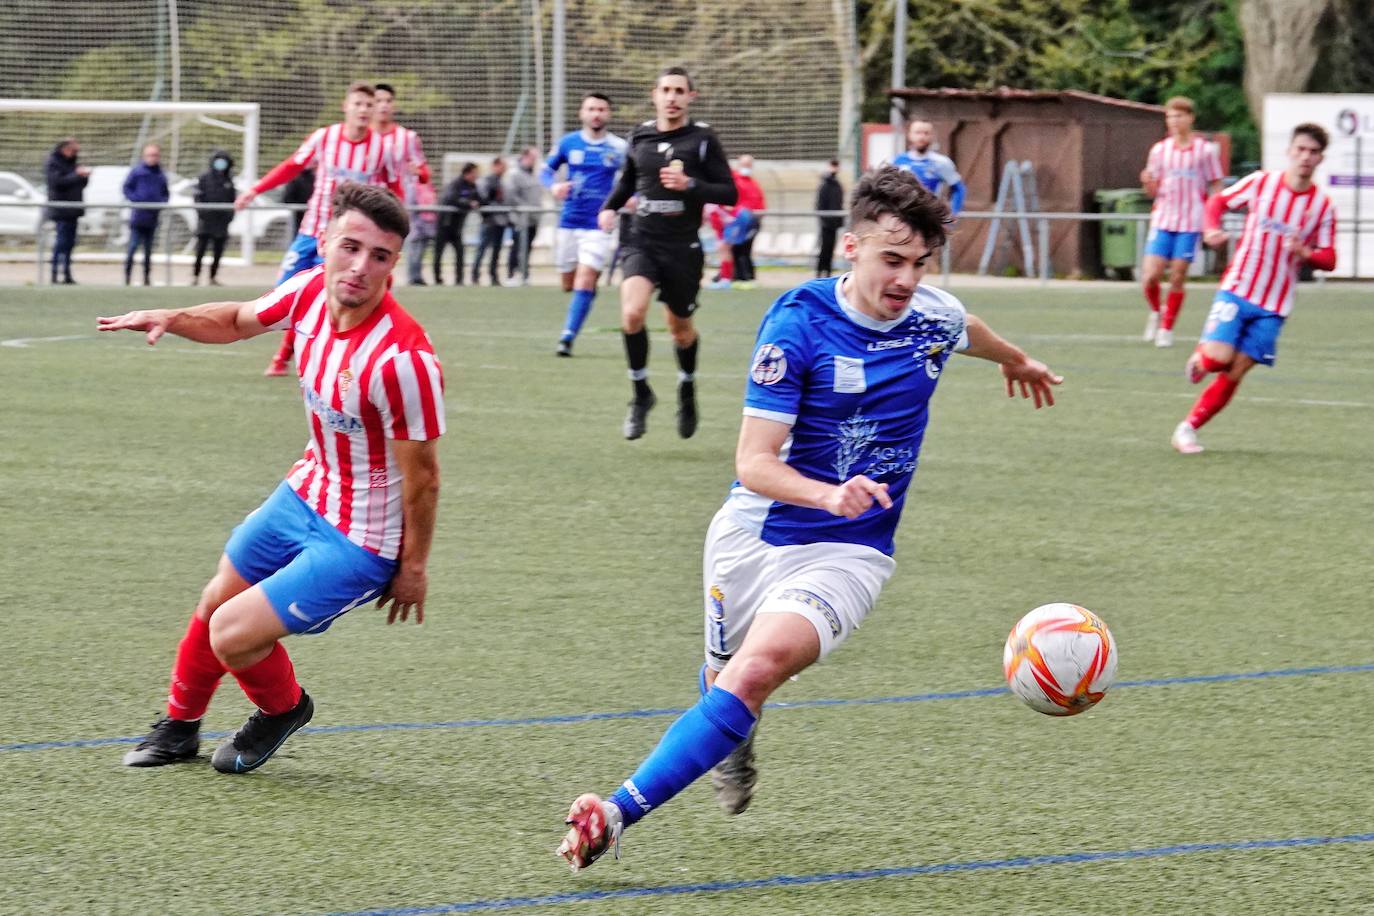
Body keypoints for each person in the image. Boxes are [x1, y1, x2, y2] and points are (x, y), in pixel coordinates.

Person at [557, 166, 1062, 871]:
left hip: (850, 552)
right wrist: (825, 492)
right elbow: (753, 463)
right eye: (892, 260)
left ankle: (614, 813)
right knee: (724, 677)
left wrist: (1018, 359)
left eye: (920, 264)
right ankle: (733, 737)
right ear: (850, 247)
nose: (907, 280)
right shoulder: (797, 325)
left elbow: (962, 326)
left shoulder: (929, 318)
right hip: (753, 534)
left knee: (756, 670)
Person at [98, 182, 444, 773]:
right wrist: (170, 317)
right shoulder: (308, 291)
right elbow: (235, 320)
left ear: (394, 263)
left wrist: (411, 567)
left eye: (380, 256)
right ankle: (179, 729)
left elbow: (425, 478)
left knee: (231, 634)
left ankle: (282, 709)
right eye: (350, 247)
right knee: (216, 599)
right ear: (326, 242)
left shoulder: (403, 361)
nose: (360, 267)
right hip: (307, 490)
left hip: (362, 539)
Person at [1171, 123, 1335, 455]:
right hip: (1239, 287)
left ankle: (1187, 429)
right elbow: (1217, 203)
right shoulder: (1262, 183)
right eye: (1300, 149)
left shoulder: (1322, 206)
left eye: (1313, 152)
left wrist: (1307, 254)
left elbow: (1330, 258)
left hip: (1274, 305)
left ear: (1320, 159)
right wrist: (1211, 230)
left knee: (1237, 369)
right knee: (1218, 361)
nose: (1305, 157)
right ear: (1289, 151)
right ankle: (1202, 358)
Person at [598, 66, 738, 440]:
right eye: (666, 90)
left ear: (690, 96)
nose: (672, 97)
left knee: (680, 330)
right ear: (654, 94)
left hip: (683, 247)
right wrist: (610, 207)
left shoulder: (703, 139)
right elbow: (628, 180)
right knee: (631, 313)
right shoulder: (640, 135)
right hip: (641, 239)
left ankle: (687, 390)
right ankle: (641, 394)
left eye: (679, 90)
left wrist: (690, 184)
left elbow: (729, 192)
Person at [235, 81, 400, 376]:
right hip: (311, 233)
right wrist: (254, 190)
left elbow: (394, 189)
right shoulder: (324, 138)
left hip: (350, 242)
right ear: (345, 106)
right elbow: (291, 166)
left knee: (335, 298)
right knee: (283, 293)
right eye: (358, 104)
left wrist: (395, 232)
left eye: (369, 105)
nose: (364, 110)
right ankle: (291, 350)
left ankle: (290, 358)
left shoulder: (382, 148)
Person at [542, 93, 627, 355]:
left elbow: (633, 179)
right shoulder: (568, 143)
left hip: (599, 224)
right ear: (582, 113)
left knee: (585, 278)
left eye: (601, 109)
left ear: (608, 114)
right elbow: (545, 170)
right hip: (569, 222)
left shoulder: (620, 147)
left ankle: (567, 337)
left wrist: (629, 199)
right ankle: (585, 295)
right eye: (591, 109)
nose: (596, 114)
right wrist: (554, 186)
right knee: (569, 283)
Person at [1139, 96, 1224, 348]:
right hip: (1163, 219)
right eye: (1170, 116)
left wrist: (1213, 216)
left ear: (1190, 118)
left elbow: (1216, 183)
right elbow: (1152, 190)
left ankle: (1166, 328)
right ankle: (1156, 311)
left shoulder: (1204, 151)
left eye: (1179, 116)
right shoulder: (1159, 150)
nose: (1174, 121)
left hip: (1190, 222)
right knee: (1150, 276)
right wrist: (1147, 183)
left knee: (1177, 276)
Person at [373, 82, 434, 287]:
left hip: (395, 207)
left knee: (383, 257)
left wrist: (419, 172)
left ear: (394, 105)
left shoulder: (407, 138)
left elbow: (424, 173)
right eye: (378, 101)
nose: (383, 105)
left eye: (388, 101)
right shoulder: (359, 135)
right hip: (363, 207)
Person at [892, 119, 965, 217]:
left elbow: (959, 189)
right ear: (909, 135)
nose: (922, 137)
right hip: (903, 217)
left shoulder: (941, 162)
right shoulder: (897, 161)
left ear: (932, 136)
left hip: (931, 218)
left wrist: (953, 214)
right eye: (918, 133)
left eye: (926, 133)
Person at [122, 143, 170, 286]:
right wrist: (137, 200)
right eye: (150, 155)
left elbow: (165, 193)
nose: (152, 158)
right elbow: (126, 188)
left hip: (152, 217)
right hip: (138, 216)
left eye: (155, 155)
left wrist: (160, 203)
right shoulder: (137, 172)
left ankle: (146, 277)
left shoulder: (160, 174)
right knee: (133, 247)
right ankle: (127, 277)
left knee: (148, 250)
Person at [44, 137, 90, 285]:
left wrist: (84, 177)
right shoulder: (53, 162)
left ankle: (67, 274)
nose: (75, 152)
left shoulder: (73, 163)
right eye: (73, 149)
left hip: (73, 210)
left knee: (70, 243)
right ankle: (54, 273)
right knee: (61, 242)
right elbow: (57, 183)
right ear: (65, 149)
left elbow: (80, 184)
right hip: (61, 210)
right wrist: (77, 175)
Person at [192, 150, 237, 286]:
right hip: (205, 222)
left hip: (222, 223)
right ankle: (196, 276)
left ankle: (213, 276)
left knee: (218, 251)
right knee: (200, 250)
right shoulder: (204, 178)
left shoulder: (229, 180)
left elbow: (232, 200)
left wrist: (229, 216)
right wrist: (203, 214)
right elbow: (197, 198)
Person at [435, 162, 479, 285]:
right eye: (474, 173)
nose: (476, 176)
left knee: (460, 253)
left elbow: (478, 199)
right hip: (445, 224)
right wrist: (468, 203)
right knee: (439, 253)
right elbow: (451, 199)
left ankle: (459, 279)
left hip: (457, 227)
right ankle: (437, 278)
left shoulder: (473, 186)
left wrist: (476, 202)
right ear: (467, 173)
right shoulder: (455, 184)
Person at [727, 154, 765, 288]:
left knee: (744, 249)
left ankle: (746, 276)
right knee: (736, 249)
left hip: (752, 221)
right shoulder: (734, 180)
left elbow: (760, 202)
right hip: (737, 221)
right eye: (744, 164)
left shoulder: (753, 183)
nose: (747, 167)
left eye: (749, 165)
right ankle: (737, 276)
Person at [471, 157, 509, 287]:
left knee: (496, 251)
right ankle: (475, 275)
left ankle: (494, 276)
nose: (505, 169)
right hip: (489, 221)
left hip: (500, 222)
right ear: (495, 166)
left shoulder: (500, 182)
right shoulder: (487, 181)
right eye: (503, 166)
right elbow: (483, 199)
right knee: (482, 249)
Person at [815, 159, 844, 278]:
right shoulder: (825, 185)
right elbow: (820, 204)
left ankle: (827, 271)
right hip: (826, 222)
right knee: (824, 247)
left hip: (834, 223)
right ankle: (819, 271)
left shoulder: (837, 185)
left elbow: (839, 203)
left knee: (831, 248)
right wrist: (824, 220)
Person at [283, 168, 315, 237]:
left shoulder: (315, 178)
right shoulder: (295, 178)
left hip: (311, 214)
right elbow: (287, 198)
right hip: (298, 215)